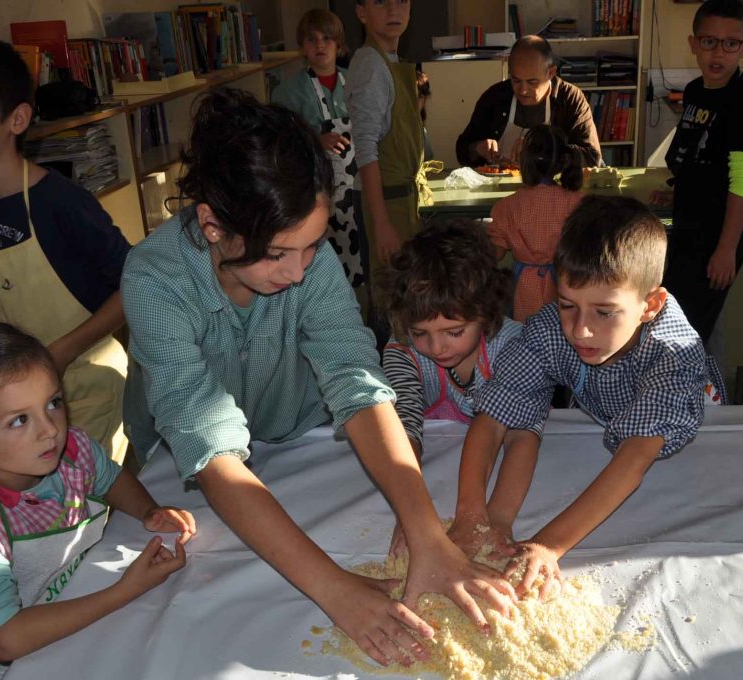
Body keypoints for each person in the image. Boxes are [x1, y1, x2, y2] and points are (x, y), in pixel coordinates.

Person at [120, 89, 516, 668]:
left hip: (295, 432)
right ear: (212, 226)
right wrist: (335, 588)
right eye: (279, 254)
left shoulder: (307, 257)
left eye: (311, 247)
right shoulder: (155, 279)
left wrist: (428, 535)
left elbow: (354, 377)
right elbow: (210, 448)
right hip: (183, 470)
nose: (299, 271)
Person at [450, 196, 724, 598]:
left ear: (650, 305)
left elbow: (633, 460)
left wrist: (547, 545)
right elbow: (493, 417)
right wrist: (473, 516)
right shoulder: (550, 330)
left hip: (696, 444)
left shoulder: (673, 354)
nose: (580, 330)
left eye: (604, 312)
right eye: (567, 305)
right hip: (605, 415)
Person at [0, 323, 194, 680]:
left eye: (53, 403)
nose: (51, 429)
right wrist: (125, 590)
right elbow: (6, 639)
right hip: (25, 661)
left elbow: (110, 478)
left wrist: (147, 510)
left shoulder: (71, 449)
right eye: (19, 420)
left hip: (87, 609)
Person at [0, 35, 131, 463]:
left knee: (83, 492)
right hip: (14, 396)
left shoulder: (61, 202)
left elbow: (135, 287)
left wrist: (62, 352)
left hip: (82, 385)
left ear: (17, 118)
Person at [376, 221, 541, 555]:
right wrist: (411, 513)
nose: (437, 347)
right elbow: (403, 429)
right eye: (420, 333)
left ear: (486, 313)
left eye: (454, 332)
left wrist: (497, 518)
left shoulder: (516, 346)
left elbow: (522, 434)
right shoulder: (402, 350)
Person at [663, 0, 743, 344]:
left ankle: (691, 377)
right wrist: (676, 188)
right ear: (694, 44)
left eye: (731, 43)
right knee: (671, 312)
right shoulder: (695, 91)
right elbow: (696, 152)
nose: (718, 53)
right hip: (689, 223)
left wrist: (725, 250)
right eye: (709, 41)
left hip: (721, 233)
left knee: (684, 329)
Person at [271, 9, 365, 289]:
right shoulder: (287, 92)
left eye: (327, 38)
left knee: (364, 259)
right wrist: (314, 141)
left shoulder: (358, 81)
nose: (320, 45)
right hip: (315, 196)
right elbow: (279, 146)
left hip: (360, 190)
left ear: (339, 44)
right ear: (302, 46)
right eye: (311, 39)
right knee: (322, 266)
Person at [346, 0, 424, 271]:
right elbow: (365, 147)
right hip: (385, 201)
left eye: (401, 0)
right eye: (380, 1)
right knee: (391, 290)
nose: (393, 9)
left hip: (401, 198)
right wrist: (381, 223)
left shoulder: (389, 60)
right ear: (362, 12)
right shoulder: (370, 64)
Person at [456, 35, 601, 169]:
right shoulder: (495, 97)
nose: (523, 90)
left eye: (532, 82)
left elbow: (592, 158)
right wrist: (477, 148)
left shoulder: (570, 99)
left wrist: (543, 149)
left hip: (553, 185)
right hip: (499, 184)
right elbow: (461, 150)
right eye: (516, 80)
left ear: (550, 73)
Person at [487, 124, 585, 321]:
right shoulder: (577, 202)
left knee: (525, 330)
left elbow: (495, 253)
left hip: (523, 288)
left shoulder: (506, 207)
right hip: (565, 286)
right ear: (563, 161)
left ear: (524, 161)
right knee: (562, 328)